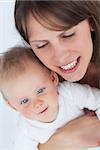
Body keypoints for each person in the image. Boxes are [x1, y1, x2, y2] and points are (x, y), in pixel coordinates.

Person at [14, 1, 100, 149]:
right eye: (42, 45)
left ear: (91, 22)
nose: (60, 57)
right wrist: (56, 144)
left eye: (68, 35)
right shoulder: (34, 81)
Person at [0, 46, 100, 150]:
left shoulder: (69, 93)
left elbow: (98, 100)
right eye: (24, 101)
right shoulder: (26, 128)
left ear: (53, 79)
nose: (37, 104)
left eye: (40, 91)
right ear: (12, 106)